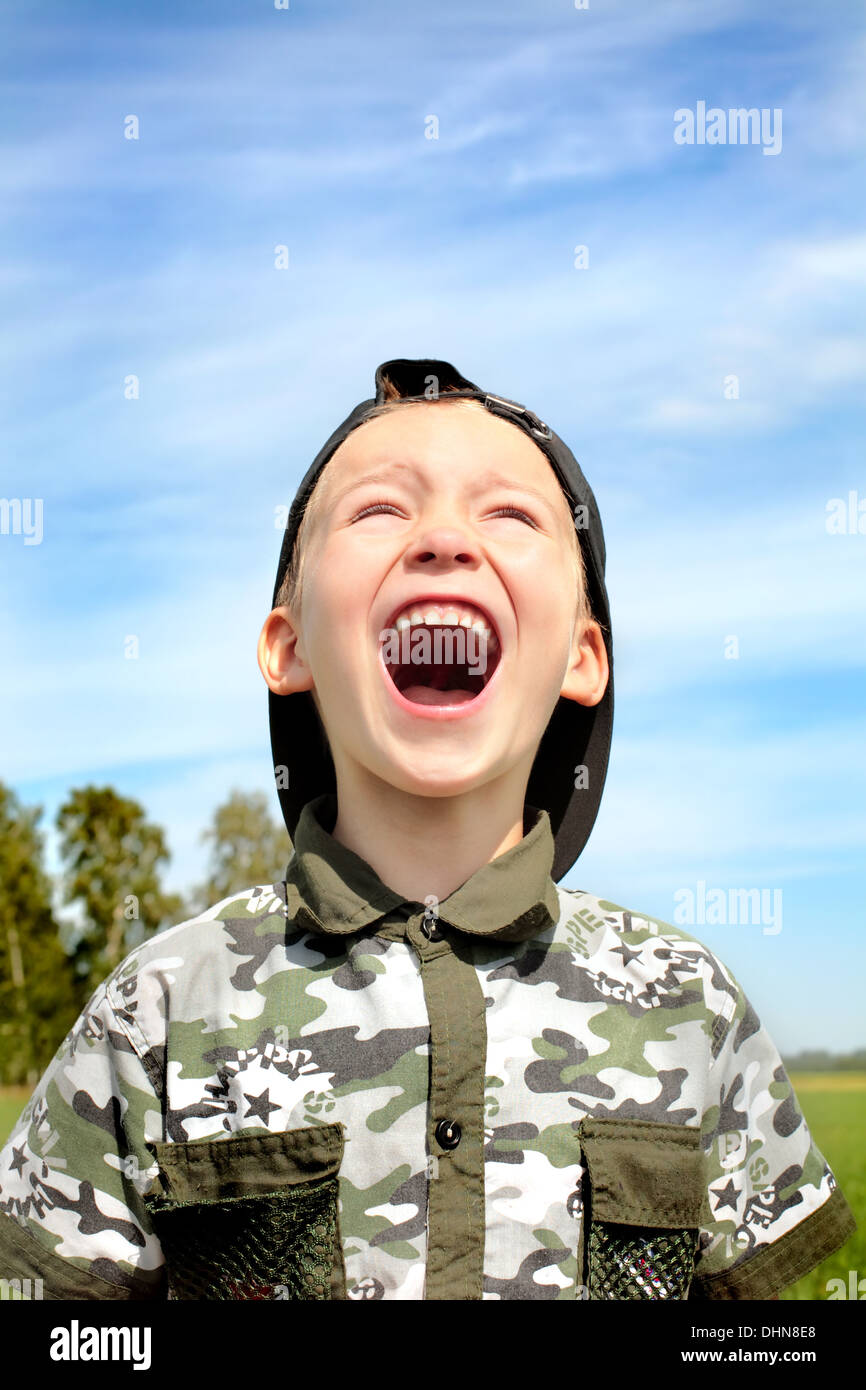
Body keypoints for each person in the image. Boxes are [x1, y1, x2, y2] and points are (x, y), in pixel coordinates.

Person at [0, 358, 855, 1301]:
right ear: (287, 647)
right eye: (378, 511)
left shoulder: (696, 1010)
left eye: (510, 515)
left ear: (582, 653)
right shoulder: (156, 1010)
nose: (445, 538)